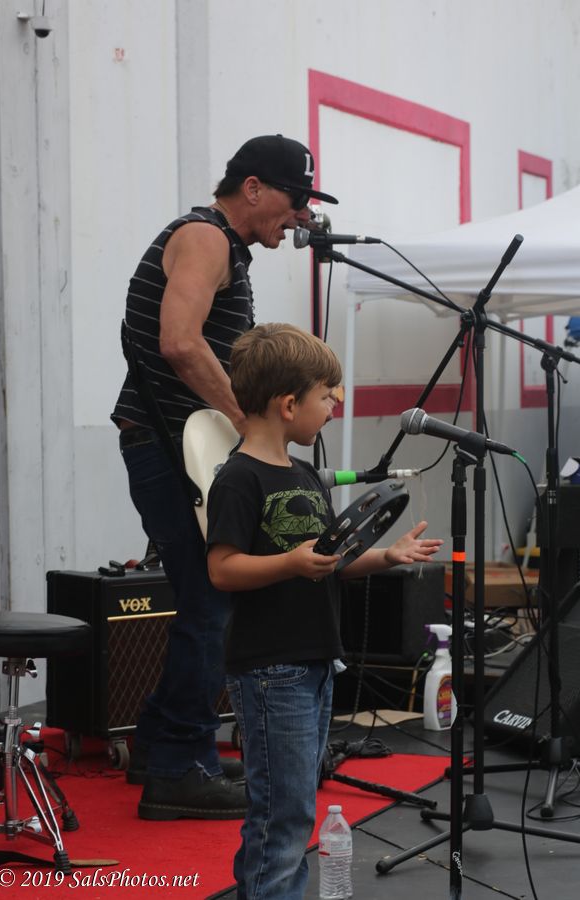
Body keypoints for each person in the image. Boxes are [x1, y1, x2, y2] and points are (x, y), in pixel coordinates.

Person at [111, 135, 339, 821]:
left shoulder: (225, 248)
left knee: (204, 599)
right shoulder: (205, 237)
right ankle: (179, 768)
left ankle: (160, 741)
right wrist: (249, 425)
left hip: (180, 445)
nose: (301, 217)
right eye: (295, 200)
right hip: (169, 445)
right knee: (213, 599)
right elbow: (179, 342)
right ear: (253, 188)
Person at [206, 323, 443, 899]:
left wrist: (386, 555)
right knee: (282, 813)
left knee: (293, 805)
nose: (334, 409)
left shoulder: (306, 474)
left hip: (314, 663)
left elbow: (329, 560)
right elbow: (222, 569)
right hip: (271, 669)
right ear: (289, 405)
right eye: (326, 398)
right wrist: (290, 563)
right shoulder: (237, 478)